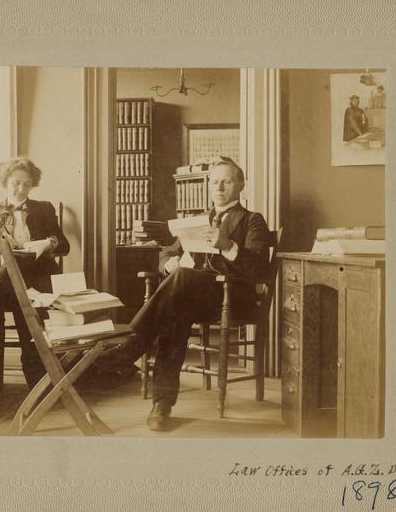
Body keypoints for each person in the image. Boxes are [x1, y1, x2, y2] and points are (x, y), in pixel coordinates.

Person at [99, 156, 270, 431]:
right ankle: (162, 405)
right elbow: (168, 250)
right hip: (191, 296)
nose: (219, 187)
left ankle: (132, 345)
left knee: (180, 287)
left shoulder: (252, 220)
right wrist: (168, 262)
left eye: (226, 181)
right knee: (176, 307)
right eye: (214, 182)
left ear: (240, 185)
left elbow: (260, 267)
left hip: (231, 297)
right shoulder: (198, 221)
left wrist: (228, 246)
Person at [0, 157, 70, 389]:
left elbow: (64, 245)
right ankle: (38, 383)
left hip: (44, 276)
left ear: (33, 185)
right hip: (12, 277)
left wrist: (48, 243)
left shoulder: (44, 208)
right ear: (5, 182)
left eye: (27, 184)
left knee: (54, 320)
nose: (21, 189)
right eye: (16, 183)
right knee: (30, 319)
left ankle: (55, 378)